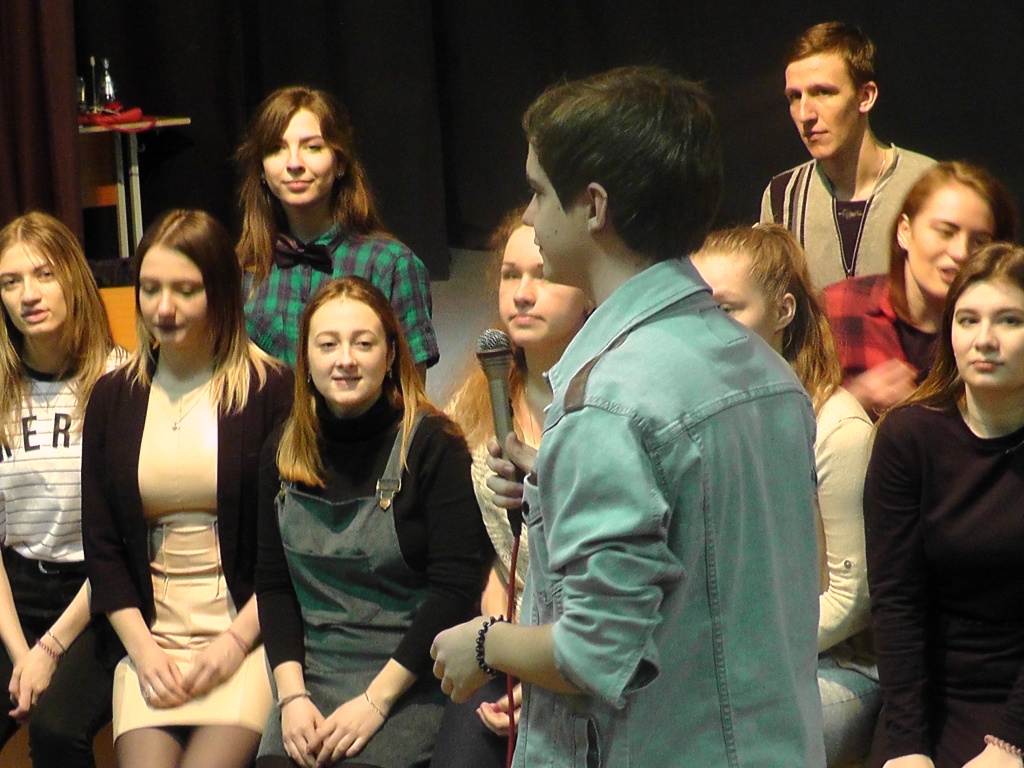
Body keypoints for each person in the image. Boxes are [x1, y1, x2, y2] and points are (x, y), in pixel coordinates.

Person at [431, 66, 825, 766]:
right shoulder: (769, 373)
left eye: (538, 192)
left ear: (593, 206)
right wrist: (556, 480)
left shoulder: (607, 402)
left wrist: (486, 643)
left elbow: (593, 654)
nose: (529, 218)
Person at [81, 209, 293, 768]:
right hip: (151, 643)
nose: (164, 308)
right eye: (150, 288)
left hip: (244, 637)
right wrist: (143, 652)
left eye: (185, 290)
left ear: (220, 292)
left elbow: (290, 543)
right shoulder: (112, 398)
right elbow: (101, 547)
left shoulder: (271, 389)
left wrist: (234, 643)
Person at [255, 276, 489, 768]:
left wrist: (375, 702)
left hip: (411, 678)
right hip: (311, 679)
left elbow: (455, 591)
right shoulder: (282, 446)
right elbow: (273, 586)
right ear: (306, 359)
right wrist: (291, 698)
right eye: (328, 345)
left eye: (363, 344)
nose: (345, 359)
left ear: (390, 355)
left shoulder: (434, 446)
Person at [693, 224, 878, 766]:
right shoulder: (700, 417)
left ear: (783, 311)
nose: (705, 329)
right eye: (695, 310)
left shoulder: (838, 429)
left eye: (726, 309)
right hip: (731, 659)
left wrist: (733, 656)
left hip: (833, 666)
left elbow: (849, 601)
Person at [431, 212, 592, 767]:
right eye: (509, 275)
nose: (522, 293)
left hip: (588, 641)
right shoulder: (475, 400)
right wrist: (503, 650)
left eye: (542, 275)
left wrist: (535, 667)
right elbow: (488, 557)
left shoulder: (610, 402)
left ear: (588, 287)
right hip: (504, 638)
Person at [864, 242, 1024, 768]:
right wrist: (907, 746)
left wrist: (1011, 743)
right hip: (931, 696)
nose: (984, 340)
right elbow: (896, 600)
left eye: (1010, 320)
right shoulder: (909, 436)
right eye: (967, 319)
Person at [0, 212, 122, 768]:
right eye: (10, 282)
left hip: (99, 596)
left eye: (44, 274)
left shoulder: (120, 381)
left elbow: (125, 541)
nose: (28, 295)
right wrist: (21, 653)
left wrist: (50, 649)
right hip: (17, 594)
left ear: (73, 278)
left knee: (56, 731)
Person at [235, 85, 438, 375]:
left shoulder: (390, 265)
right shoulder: (241, 269)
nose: (294, 163)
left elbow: (410, 391)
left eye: (312, 147)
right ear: (262, 171)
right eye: (277, 149)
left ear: (340, 162)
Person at [823, 161, 1016, 416]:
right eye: (946, 232)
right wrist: (853, 401)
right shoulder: (837, 307)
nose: (961, 253)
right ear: (905, 231)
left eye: (979, 241)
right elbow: (785, 420)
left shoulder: (1002, 336)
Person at [760, 21, 935, 289]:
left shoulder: (929, 184)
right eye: (794, 97)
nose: (805, 114)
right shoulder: (783, 197)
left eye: (823, 92)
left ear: (865, 97)